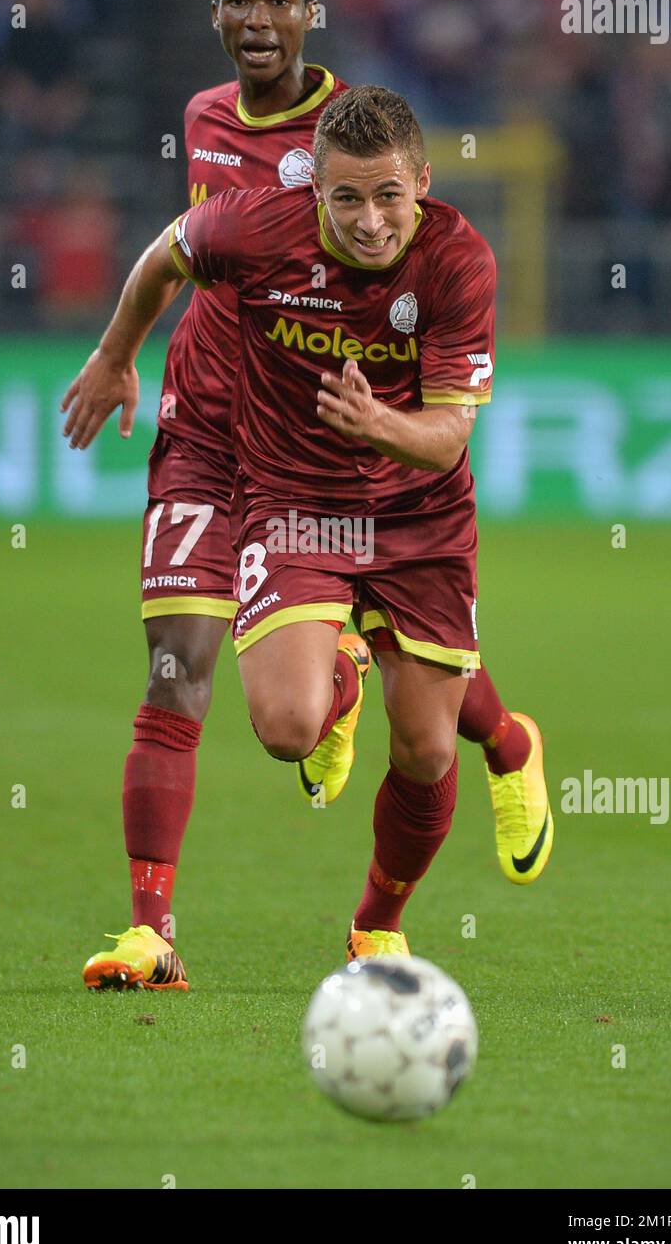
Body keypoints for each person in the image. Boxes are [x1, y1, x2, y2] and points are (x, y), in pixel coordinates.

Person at [63, 84, 554, 991]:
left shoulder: (457, 262)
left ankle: (376, 926)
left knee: (428, 751)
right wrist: (116, 351)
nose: (370, 222)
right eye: (347, 198)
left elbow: (448, 435)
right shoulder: (250, 230)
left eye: (388, 197)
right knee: (286, 729)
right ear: (313, 192)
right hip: (292, 499)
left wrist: (379, 428)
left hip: (419, 516)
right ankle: (339, 680)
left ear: (422, 184)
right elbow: (160, 261)